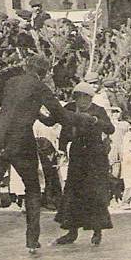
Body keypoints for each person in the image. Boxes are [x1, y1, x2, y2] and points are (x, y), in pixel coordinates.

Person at [0, 57, 99, 255]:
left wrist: (39, 115)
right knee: (32, 190)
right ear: (44, 72)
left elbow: (16, 109)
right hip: (20, 142)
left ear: (26, 66)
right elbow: (62, 117)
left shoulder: (11, 82)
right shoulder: (40, 87)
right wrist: (85, 119)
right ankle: (32, 241)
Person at [45, 82, 115, 246]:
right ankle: (71, 232)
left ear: (90, 98)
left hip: (95, 155)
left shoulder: (98, 110)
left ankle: (97, 231)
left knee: (94, 192)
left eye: (85, 97)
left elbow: (110, 129)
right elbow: (59, 125)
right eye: (78, 97)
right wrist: (61, 149)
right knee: (73, 192)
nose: (81, 101)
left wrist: (96, 121)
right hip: (77, 154)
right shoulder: (70, 108)